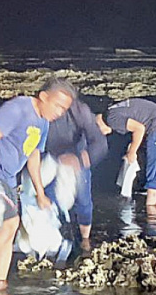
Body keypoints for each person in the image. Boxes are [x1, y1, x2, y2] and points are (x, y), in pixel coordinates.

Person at [0, 77, 75, 286]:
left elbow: (33, 156)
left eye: (64, 110)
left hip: (9, 177)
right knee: (10, 224)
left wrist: (40, 193)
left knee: (8, 229)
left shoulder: (43, 122)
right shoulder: (18, 108)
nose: (60, 113)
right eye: (58, 106)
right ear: (43, 97)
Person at [43, 97, 108, 249]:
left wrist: (81, 159)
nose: (60, 109)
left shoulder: (80, 112)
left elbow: (99, 143)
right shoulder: (45, 113)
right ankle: (54, 234)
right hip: (52, 157)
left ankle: (85, 238)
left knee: (84, 200)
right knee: (49, 196)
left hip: (77, 157)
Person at [95, 98, 156, 208]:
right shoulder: (111, 111)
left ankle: (152, 213)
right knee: (149, 165)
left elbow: (139, 128)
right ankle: (150, 202)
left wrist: (132, 152)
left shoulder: (111, 119)